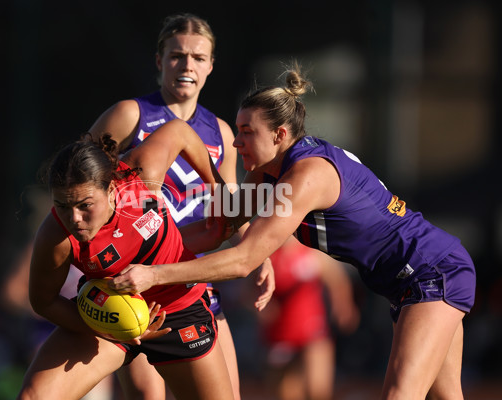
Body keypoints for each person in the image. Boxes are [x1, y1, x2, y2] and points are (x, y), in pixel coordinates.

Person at [109, 63, 477, 400]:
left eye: (247, 132)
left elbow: (242, 260)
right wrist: (138, 249)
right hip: (413, 278)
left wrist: (153, 273)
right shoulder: (268, 174)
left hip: (431, 271)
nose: (236, 143)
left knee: (400, 394)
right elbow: (216, 228)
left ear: (280, 134)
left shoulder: (305, 176)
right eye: (237, 131)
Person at [89, 12, 273, 400]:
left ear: (210, 66)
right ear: (160, 62)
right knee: (146, 396)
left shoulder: (222, 132)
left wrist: (259, 253)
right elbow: (79, 176)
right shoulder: (131, 115)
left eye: (197, 57)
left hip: (189, 279)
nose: (186, 65)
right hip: (135, 282)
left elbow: (228, 204)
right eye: (176, 56)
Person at [16, 119, 236, 400]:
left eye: (85, 206)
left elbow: (180, 131)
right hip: (108, 313)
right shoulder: (55, 235)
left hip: (177, 310)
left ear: (110, 190)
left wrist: (216, 189)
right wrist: (109, 328)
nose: (74, 219)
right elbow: (43, 301)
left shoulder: (142, 176)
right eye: (62, 206)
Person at [259, 238, 359, 400]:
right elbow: (250, 289)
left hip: (313, 329)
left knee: (317, 391)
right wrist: (262, 309)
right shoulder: (269, 258)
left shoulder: (311, 252)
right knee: (285, 393)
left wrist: (343, 307)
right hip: (280, 332)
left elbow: (337, 279)